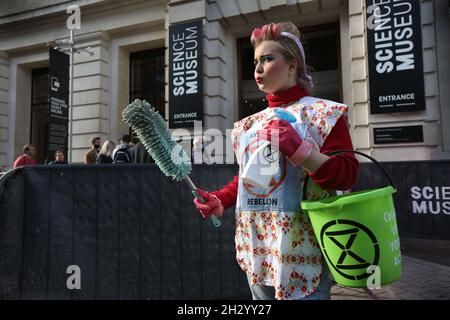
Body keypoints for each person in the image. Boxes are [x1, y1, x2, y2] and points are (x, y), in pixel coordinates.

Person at [192, 22, 359, 300]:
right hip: (257, 247)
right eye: (255, 60)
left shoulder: (324, 114)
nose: (257, 68)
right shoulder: (248, 126)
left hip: (305, 252)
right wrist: (221, 199)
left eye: (268, 59)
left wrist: (301, 151)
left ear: (292, 66)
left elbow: (346, 175)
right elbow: (252, 178)